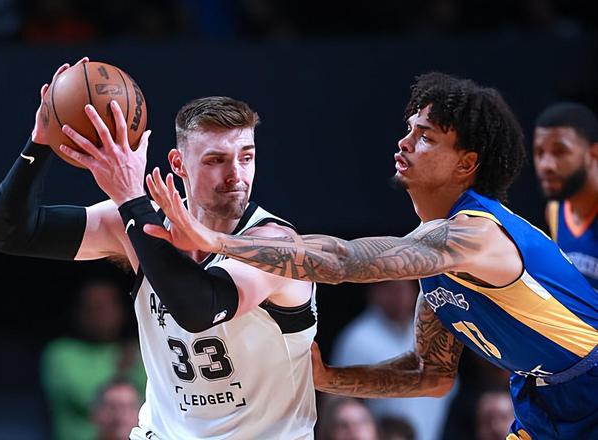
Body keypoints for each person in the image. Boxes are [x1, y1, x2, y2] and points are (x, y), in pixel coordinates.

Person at [143, 72, 598, 439]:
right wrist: (328, 378)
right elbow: (430, 374)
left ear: (466, 163)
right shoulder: (437, 259)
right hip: (541, 400)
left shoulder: (476, 235)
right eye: (409, 130)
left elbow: (344, 260)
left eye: (425, 137)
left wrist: (216, 240)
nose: (405, 142)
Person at [0, 59, 317, 439]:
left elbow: (199, 309)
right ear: (179, 164)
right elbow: (10, 232)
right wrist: (40, 143)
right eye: (216, 160)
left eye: (246, 157)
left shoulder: (274, 245)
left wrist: (130, 197)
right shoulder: (138, 219)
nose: (235, 175)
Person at [330, 281, 453, 440]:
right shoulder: (357, 339)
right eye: (391, 289)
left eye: (405, 288)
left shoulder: (434, 331)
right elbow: (341, 405)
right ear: (374, 293)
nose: (400, 296)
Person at [41, 278, 146, 440]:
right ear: (78, 312)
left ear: (121, 311)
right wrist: (122, 370)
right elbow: (86, 396)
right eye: (91, 308)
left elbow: (151, 399)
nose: (99, 315)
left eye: (105, 307)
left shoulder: (138, 350)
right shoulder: (61, 352)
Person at [533, 102, 598, 290]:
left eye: (559, 152)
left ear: (593, 154)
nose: (546, 165)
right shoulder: (554, 211)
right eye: (539, 153)